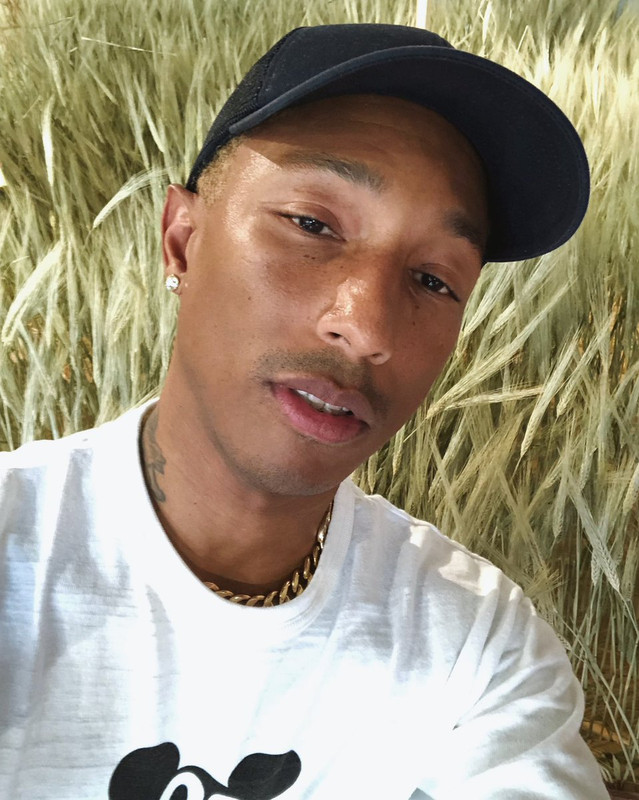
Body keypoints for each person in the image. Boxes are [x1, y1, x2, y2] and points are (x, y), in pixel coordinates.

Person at [0, 23, 609, 800]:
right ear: (181, 241)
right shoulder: (16, 551)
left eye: (433, 279)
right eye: (312, 226)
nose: (367, 327)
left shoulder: (476, 646)